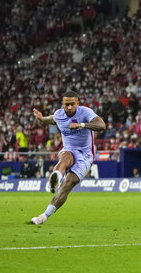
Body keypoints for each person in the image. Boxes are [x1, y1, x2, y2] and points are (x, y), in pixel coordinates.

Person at [30, 88, 107, 225]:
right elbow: (52, 119)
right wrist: (42, 119)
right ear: (62, 104)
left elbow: (101, 125)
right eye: (67, 104)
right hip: (69, 150)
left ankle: (44, 216)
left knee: (68, 184)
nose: (70, 107)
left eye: (73, 104)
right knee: (65, 159)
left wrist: (82, 125)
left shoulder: (85, 112)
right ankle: (56, 180)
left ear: (77, 103)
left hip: (86, 155)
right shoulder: (59, 115)